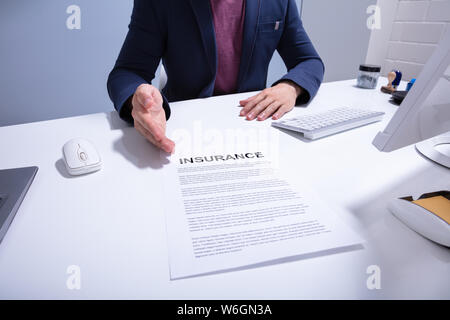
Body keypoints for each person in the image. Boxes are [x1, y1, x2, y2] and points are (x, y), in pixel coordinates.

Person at [107, 0, 324, 154]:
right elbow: (127, 72)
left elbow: (309, 61)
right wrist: (137, 97)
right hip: (183, 135)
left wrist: (290, 87)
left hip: (253, 132)